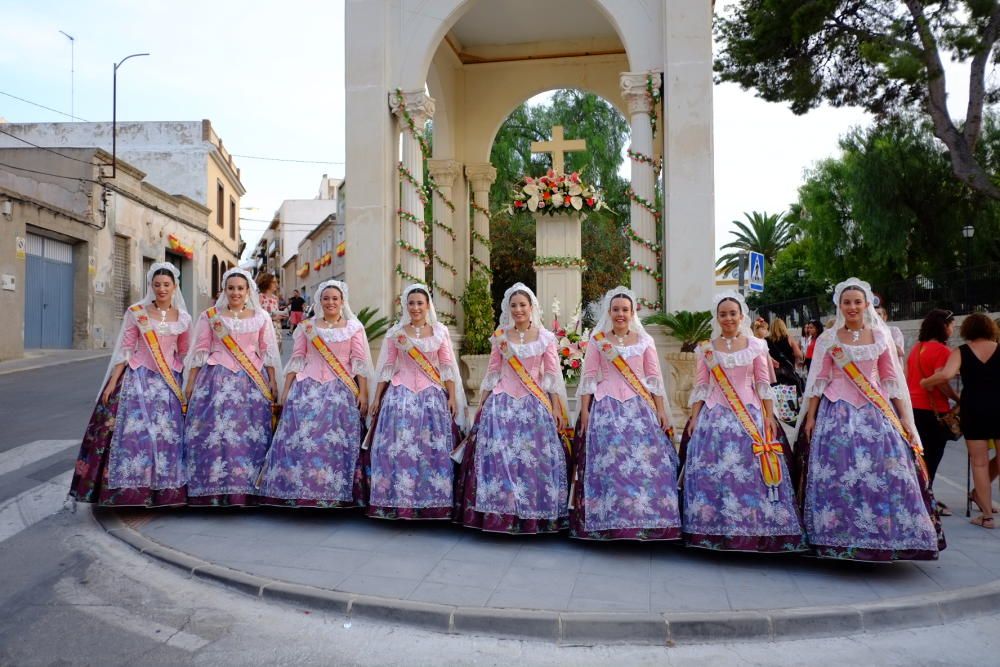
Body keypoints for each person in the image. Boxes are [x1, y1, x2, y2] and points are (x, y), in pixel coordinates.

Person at [800, 278, 941, 560]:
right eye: (847, 302)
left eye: (857, 302)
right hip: (836, 412)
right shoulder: (829, 339)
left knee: (886, 472)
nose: (852, 307)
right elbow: (819, 380)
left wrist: (905, 420)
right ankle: (836, 537)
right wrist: (811, 416)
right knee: (838, 472)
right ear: (839, 306)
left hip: (876, 413)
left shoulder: (880, 337)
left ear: (867, 305)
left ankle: (886, 535)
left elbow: (891, 381)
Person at [682, 292, 806, 552]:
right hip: (714, 417)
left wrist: (770, 416)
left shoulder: (756, 346)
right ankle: (713, 529)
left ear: (741, 317)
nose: (728, 318)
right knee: (716, 473)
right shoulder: (707, 348)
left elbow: (762, 383)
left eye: (733, 313)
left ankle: (755, 528)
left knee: (751, 475)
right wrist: (694, 417)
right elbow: (702, 386)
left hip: (749, 415)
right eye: (723, 314)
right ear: (717, 317)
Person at [68, 263, 191, 508]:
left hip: (169, 384)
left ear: (175, 287)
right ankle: (130, 492)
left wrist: (188, 386)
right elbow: (125, 350)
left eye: (166, 285)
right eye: (157, 285)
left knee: (167, 437)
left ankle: (164, 493)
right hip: (138, 377)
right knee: (136, 435)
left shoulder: (184, 318)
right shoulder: (137, 313)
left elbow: (185, 354)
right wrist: (113, 382)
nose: (161, 289)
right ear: (151, 287)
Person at [454, 282, 570, 534]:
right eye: (513, 305)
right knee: (497, 458)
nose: (518, 310)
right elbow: (493, 372)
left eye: (523, 305)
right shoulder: (500, 338)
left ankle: (533, 515)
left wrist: (557, 408)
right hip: (502, 402)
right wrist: (482, 402)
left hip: (534, 405)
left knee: (533, 460)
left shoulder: (546, 338)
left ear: (531, 308)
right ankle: (500, 514)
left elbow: (551, 375)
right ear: (508, 309)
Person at [570, 287, 681, 541]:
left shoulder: (645, 342)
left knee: (644, 463)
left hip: (640, 409)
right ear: (609, 312)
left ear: (632, 313)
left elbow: (654, 379)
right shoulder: (598, 340)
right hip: (606, 407)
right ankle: (608, 521)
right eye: (616, 309)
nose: (620, 314)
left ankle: (645, 520)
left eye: (625, 310)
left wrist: (661, 411)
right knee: (610, 464)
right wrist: (585, 411)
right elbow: (588, 378)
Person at [255, 280, 374, 507]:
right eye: (326, 298)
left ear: (342, 302)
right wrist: (286, 390)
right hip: (306, 388)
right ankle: (301, 491)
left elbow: (359, 362)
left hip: (341, 389)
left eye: (335, 299)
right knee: (303, 439)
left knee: (333, 442)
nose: (330, 302)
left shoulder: (353, 328)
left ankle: (333, 493)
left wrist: (364, 394)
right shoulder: (307, 327)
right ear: (319, 301)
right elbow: (297, 358)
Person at [365, 284, 466, 519]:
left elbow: (448, 367)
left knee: (431, 449)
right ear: (405, 306)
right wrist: (377, 398)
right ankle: (396, 501)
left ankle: (432, 501)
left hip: (431, 396)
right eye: (411, 303)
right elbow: (388, 367)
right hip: (400, 395)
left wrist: (451, 396)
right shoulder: (396, 333)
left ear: (428, 305)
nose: (416, 307)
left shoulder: (439, 332)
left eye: (420, 303)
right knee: (399, 448)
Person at [183, 268, 282, 506]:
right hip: (215, 380)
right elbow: (201, 349)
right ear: (224, 291)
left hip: (251, 383)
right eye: (231, 288)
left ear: (248, 291)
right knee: (217, 434)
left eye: (240, 288)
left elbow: (267, 351)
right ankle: (214, 490)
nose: (235, 292)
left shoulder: (261, 317)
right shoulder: (210, 317)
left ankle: (247, 489)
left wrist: (273, 381)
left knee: (249, 434)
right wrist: (191, 381)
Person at [922, 313, 1000, 529]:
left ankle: (986, 517)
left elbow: (946, 375)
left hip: (973, 408)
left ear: (967, 330)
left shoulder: (961, 351)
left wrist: (925, 381)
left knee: (979, 463)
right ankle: (983, 507)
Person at [906, 309, 958, 515]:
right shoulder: (943, 351)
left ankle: (919, 496)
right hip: (934, 409)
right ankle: (926, 500)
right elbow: (941, 380)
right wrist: (956, 397)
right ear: (944, 326)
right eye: (951, 325)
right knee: (932, 458)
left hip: (914, 408)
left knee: (918, 457)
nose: (953, 329)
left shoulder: (917, 348)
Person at [257, 273, 286, 347]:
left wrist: (282, 315)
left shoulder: (275, 298)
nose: (277, 284)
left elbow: (275, 312)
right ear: (266, 282)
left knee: (276, 354)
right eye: (274, 282)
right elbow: (256, 316)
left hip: (277, 330)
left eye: (277, 282)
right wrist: (273, 318)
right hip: (265, 331)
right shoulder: (260, 297)